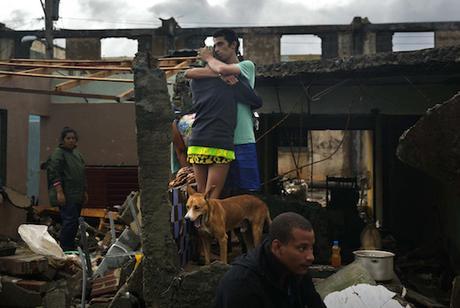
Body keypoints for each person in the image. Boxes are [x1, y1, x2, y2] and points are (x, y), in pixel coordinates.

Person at [185, 34, 262, 199]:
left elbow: (221, 69)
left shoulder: (245, 66)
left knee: (246, 193)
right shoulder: (214, 75)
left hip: (242, 140)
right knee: (216, 196)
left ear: (233, 45)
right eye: (215, 46)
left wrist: (207, 58)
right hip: (219, 140)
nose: (217, 49)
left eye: (220, 44)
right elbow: (190, 72)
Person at [214, 212, 326, 308]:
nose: (311, 257)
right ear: (277, 247)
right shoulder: (242, 285)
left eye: (312, 248)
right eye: (302, 248)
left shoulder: (297, 269)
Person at [46, 127, 87, 251]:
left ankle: (69, 245)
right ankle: (65, 248)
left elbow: (81, 174)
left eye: (73, 138)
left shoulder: (77, 154)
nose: (71, 140)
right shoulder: (58, 154)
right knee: (69, 221)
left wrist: (84, 191)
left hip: (77, 195)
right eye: (68, 138)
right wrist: (59, 192)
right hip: (66, 194)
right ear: (63, 140)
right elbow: (54, 173)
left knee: (75, 222)